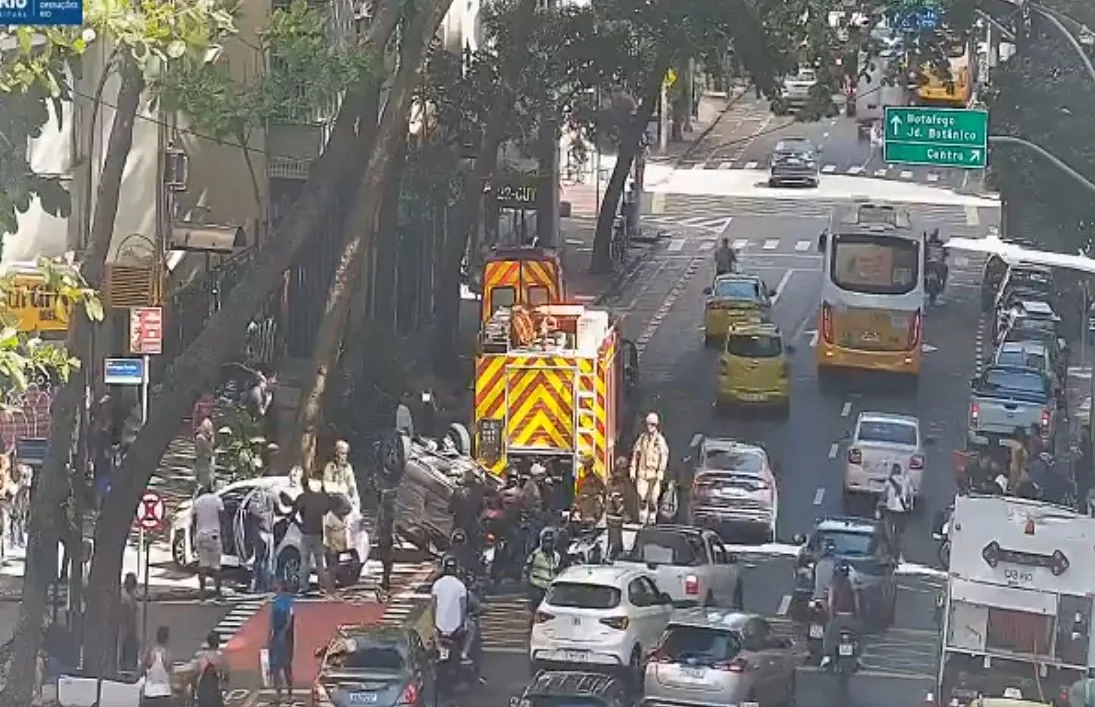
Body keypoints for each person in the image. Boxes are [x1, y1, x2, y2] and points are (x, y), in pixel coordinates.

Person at [293, 474, 332, 594]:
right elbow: (328, 509)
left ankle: (303, 586)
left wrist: (300, 525)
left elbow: (292, 513)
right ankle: (323, 587)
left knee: (304, 561)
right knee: (320, 562)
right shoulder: (321, 498)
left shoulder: (302, 498)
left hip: (306, 533)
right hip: (318, 534)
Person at [819, 561, 861, 669]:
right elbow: (857, 602)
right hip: (851, 617)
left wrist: (831, 616)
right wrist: (857, 614)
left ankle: (827, 656)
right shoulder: (852, 585)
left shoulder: (834, 584)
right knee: (858, 636)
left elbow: (831, 602)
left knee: (828, 635)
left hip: (838, 616)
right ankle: (859, 658)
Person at [631, 412, 669, 524]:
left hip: (654, 475)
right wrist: (633, 470)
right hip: (642, 473)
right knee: (642, 496)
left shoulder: (660, 441)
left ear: (656, 425)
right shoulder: (642, 439)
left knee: (653, 499)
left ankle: (652, 519)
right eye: (648, 424)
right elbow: (635, 455)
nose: (650, 427)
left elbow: (664, 456)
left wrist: (661, 471)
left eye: (652, 424)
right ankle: (642, 520)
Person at [431, 555, 470, 662]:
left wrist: (434, 623)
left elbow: (433, 605)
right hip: (456, 628)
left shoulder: (437, 584)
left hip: (440, 627)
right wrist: (462, 623)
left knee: (433, 632)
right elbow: (463, 607)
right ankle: (464, 653)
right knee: (471, 627)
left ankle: (441, 650)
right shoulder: (460, 586)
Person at [192, 485, 225, 599]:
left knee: (203, 564)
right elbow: (222, 516)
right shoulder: (217, 500)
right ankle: (218, 591)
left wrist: (194, 536)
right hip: (214, 535)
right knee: (216, 565)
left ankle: (202, 592)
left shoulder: (197, 502)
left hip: (201, 535)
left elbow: (194, 520)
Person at [268, 579, 295, 703]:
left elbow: (290, 618)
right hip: (276, 636)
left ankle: (289, 693)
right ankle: (278, 693)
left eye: (276, 585)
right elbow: (271, 620)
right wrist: (270, 635)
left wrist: (284, 632)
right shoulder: (275, 601)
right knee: (275, 666)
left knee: (286, 665)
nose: (274, 586)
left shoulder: (289, 601)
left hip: (285, 637)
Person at [524, 527, 562, 613]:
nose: (548, 545)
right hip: (537, 588)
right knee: (535, 611)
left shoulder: (556, 556)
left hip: (549, 589)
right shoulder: (535, 554)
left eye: (550, 542)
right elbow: (527, 568)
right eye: (546, 542)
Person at [247, 485, 276, 593]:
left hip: (268, 533)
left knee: (267, 560)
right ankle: (257, 585)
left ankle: (266, 584)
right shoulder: (255, 505)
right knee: (261, 560)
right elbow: (256, 513)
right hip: (261, 533)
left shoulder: (269, 504)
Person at [881, 463, 913, 559]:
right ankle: (897, 553)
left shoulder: (889, 481)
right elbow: (909, 496)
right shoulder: (907, 480)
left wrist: (880, 503)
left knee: (888, 532)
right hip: (902, 511)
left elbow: (884, 495)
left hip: (891, 510)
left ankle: (891, 551)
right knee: (899, 533)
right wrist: (909, 507)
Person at [192, 631, 229, 707]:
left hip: (202, 693)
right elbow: (226, 677)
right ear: (218, 643)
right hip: (215, 694)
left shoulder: (201, 657)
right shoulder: (220, 658)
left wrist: (193, 694)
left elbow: (194, 676)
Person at [322, 440, 359, 512]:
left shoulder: (348, 467)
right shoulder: (329, 466)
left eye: (345, 454)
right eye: (342, 454)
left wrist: (350, 490)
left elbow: (352, 484)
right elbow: (327, 485)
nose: (344, 456)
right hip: (334, 498)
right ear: (337, 453)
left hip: (347, 496)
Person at [141, 626, 174, 706]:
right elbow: (170, 671)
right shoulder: (167, 653)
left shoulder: (150, 652)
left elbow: (143, 668)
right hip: (164, 692)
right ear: (167, 638)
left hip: (149, 692)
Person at [375, 487, 396, 599]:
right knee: (388, 564)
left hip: (383, 540)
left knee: (387, 565)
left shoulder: (382, 510)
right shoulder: (387, 512)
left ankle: (385, 586)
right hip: (386, 541)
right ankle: (384, 586)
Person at [574, 454, 606, 524]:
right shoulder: (582, 475)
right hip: (583, 501)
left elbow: (602, 489)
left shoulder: (594, 477)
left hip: (588, 502)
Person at [118, 572, 140, 672]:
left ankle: (129, 665)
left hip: (130, 626)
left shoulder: (131, 595)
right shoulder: (124, 596)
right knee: (125, 646)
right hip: (125, 625)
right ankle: (124, 666)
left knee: (131, 646)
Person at [194, 417, 217, 491]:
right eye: (208, 428)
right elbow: (209, 449)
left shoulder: (206, 437)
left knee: (209, 481)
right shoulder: (200, 438)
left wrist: (212, 436)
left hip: (207, 463)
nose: (210, 431)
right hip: (203, 463)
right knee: (203, 483)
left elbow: (212, 444)